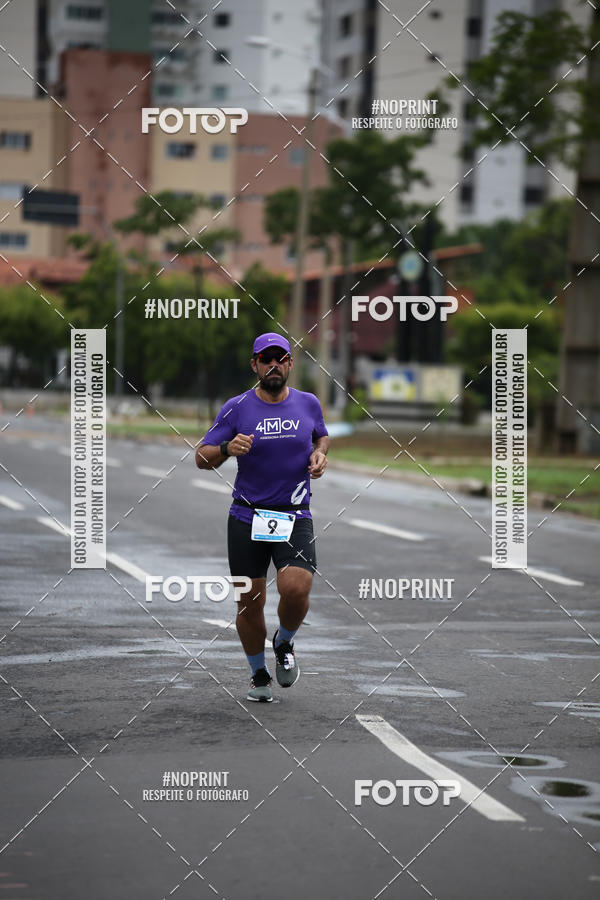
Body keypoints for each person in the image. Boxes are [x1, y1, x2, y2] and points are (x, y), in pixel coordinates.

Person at [195, 332, 329, 702]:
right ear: (254, 365)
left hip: (294, 514)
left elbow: (321, 436)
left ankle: (284, 642)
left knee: (297, 588)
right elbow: (201, 457)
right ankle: (258, 674)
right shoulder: (237, 408)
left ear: (289, 363)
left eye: (280, 358)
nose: (273, 365)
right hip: (246, 517)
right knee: (249, 602)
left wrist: (320, 454)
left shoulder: (309, 403)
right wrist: (226, 447)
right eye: (264, 359)